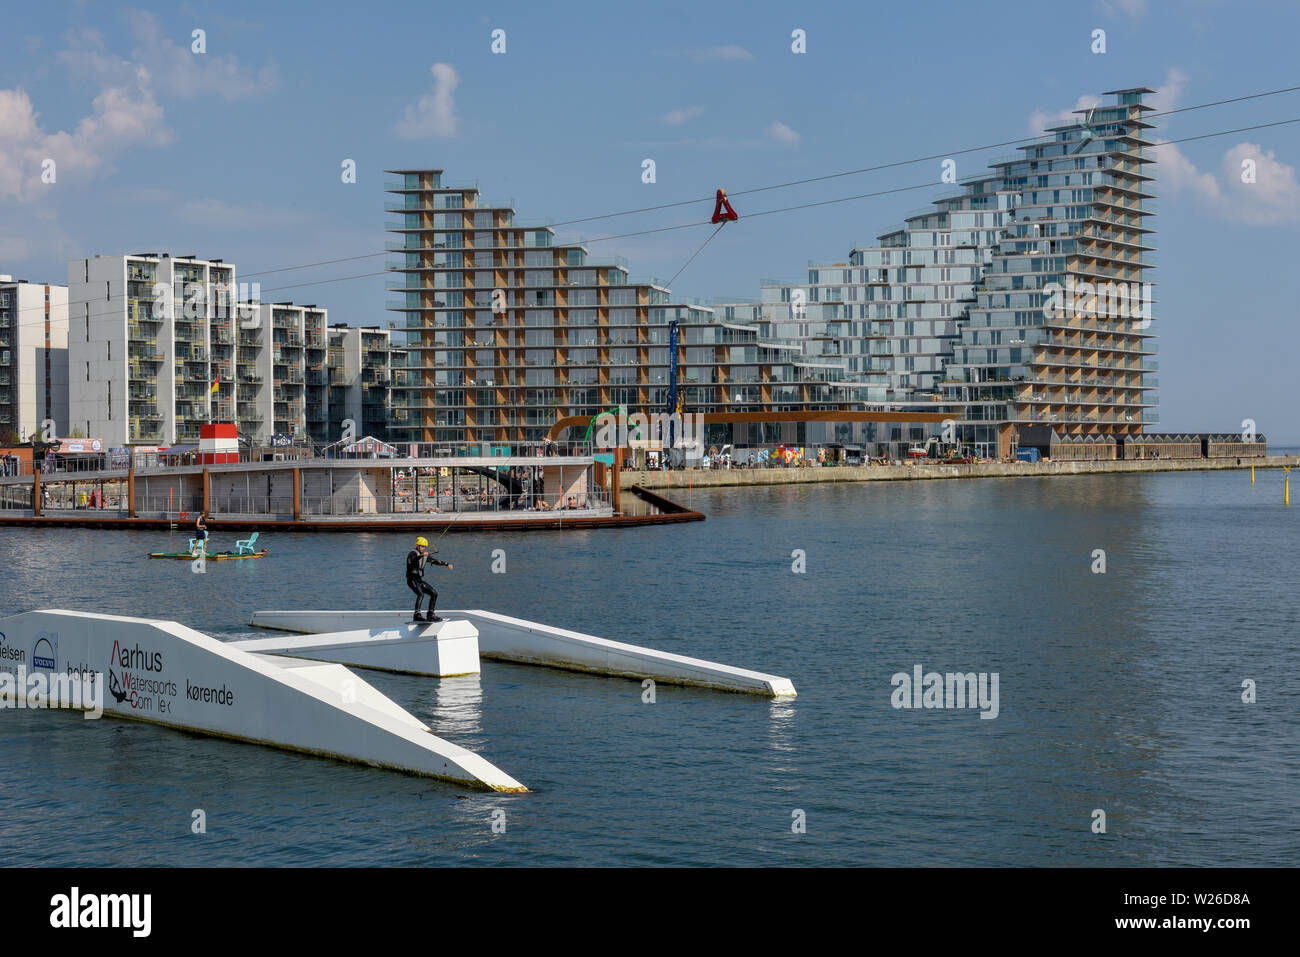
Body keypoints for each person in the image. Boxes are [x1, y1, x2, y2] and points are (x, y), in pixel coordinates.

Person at [407, 536, 452, 623]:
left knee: (434, 593)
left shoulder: (424, 555)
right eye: (421, 546)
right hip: (412, 580)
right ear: (417, 545)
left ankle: (430, 615)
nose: (423, 548)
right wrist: (422, 555)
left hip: (419, 580)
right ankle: (417, 615)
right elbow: (414, 560)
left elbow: (435, 561)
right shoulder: (412, 554)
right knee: (421, 594)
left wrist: (447, 564)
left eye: (424, 547)